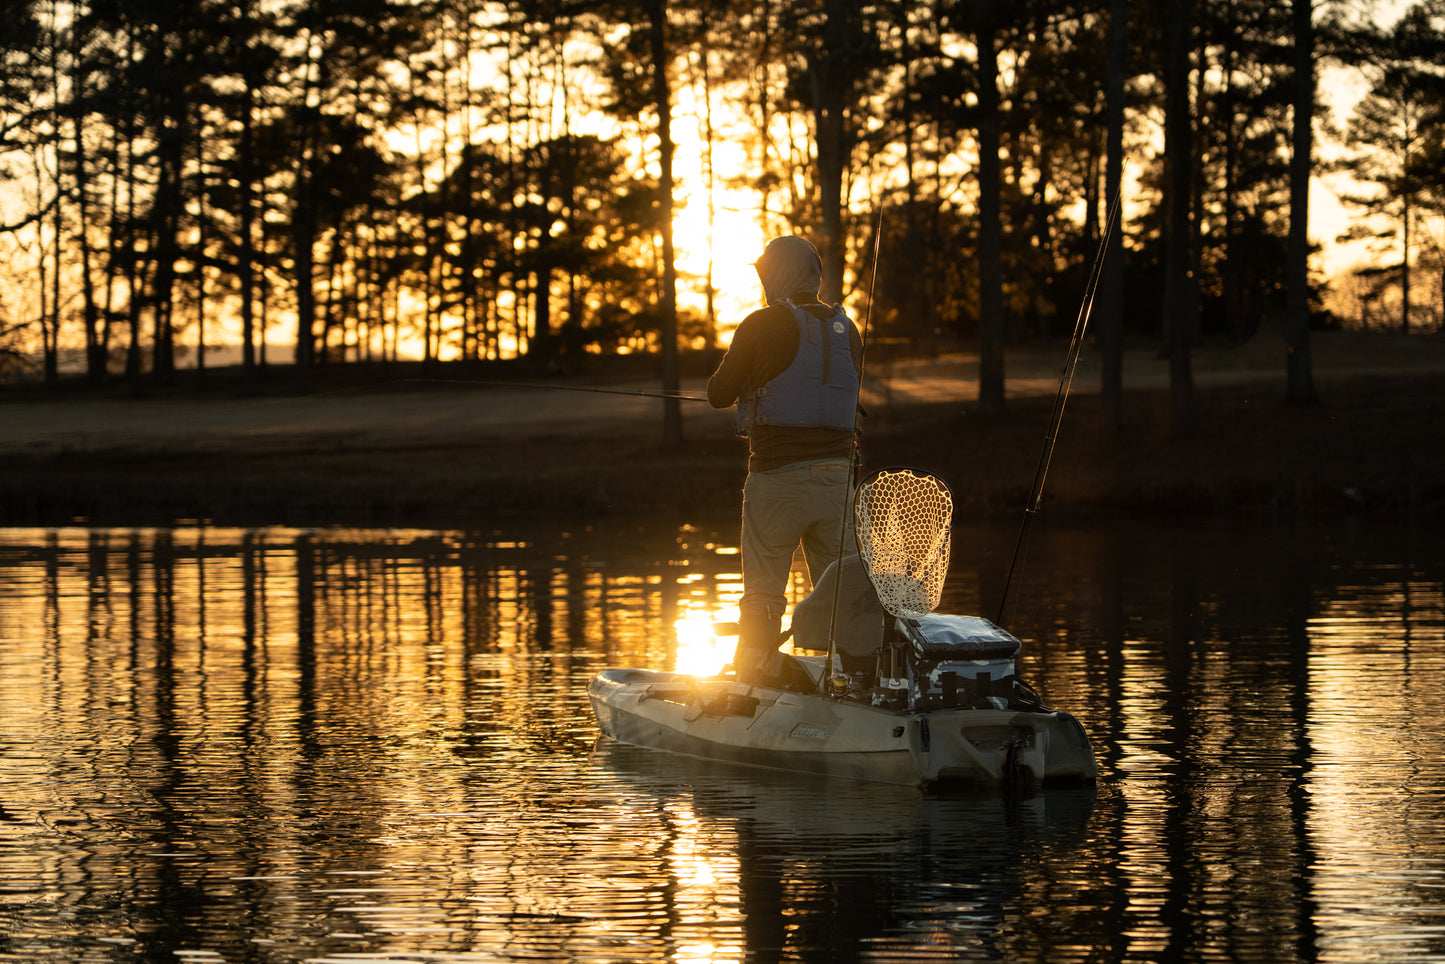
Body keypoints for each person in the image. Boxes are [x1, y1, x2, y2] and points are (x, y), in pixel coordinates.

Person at [707, 235, 864, 684]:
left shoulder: (761, 323)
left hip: (777, 481)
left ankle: (751, 683)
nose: (763, 284)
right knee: (842, 592)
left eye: (765, 274)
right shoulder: (849, 330)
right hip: (838, 483)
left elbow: (718, 394)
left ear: (779, 274)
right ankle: (860, 680)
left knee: (763, 595)